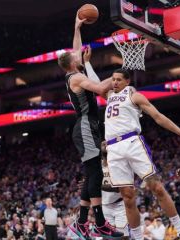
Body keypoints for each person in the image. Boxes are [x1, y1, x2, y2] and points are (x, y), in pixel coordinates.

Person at [103, 69, 180, 240]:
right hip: (113, 149)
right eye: (113, 79)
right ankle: (137, 237)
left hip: (132, 143)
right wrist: (88, 63)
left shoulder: (135, 96)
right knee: (127, 197)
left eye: (119, 79)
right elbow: (93, 83)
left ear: (127, 81)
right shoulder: (108, 95)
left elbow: (158, 116)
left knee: (156, 187)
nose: (115, 82)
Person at [57, 14, 122, 239]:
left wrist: (77, 26)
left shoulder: (74, 70)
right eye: (76, 57)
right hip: (85, 126)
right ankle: (101, 223)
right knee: (95, 172)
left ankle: (82, 222)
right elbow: (99, 88)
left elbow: (76, 47)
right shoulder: (75, 78)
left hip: (89, 126)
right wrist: (119, 74)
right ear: (72, 63)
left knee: (91, 172)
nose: (79, 54)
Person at [100, 141, 129, 239]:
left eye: (107, 143)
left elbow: (117, 188)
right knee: (107, 237)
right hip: (104, 205)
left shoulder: (117, 163)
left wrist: (96, 185)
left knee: (123, 236)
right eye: (102, 144)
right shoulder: (96, 165)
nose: (105, 145)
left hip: (119, 205)